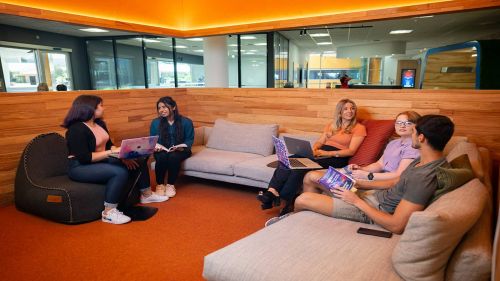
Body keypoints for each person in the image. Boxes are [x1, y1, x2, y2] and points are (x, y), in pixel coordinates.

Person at [267, 115, 455, 233]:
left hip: (374, 209)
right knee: (311, 176)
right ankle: (311, 222)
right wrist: (358, 184)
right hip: (371, 195)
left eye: (413, 130)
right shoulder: (423, 160)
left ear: (421, 137)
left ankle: (291, 229)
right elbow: (395, 181)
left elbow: (397, 225)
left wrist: (355, 200)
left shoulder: (423, 178)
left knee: (303, 199)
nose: (409, 133)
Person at [63, 95, 168, 225]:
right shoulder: (76, 129)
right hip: (79, 167)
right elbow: (85, 158)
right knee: (118, 172)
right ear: (89, 108)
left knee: (138, 160)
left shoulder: (100, 124)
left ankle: (146, 195)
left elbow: (109, 145)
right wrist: (112, 152)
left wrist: (123, 157)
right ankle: (108, 212)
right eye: (100, 105)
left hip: (100, 159)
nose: (103, 108)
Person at [257, 98, 366, 216]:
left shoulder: (359, 128)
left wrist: (326, 153)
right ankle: (273, 192)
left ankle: (283, 200)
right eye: (346, 109)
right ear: (339, 112)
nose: (350, 111)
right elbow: (320, 142)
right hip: (322, 154)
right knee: (288, 160)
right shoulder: (331, 126)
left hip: (337, 157)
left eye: (352, 108)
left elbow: (351, 151)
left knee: (299, 166)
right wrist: (314, 149)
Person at [303, 111, 421, 187]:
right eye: (399, 122)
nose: (402, 125)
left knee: (313, 177)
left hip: (383, 183)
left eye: (408, 123)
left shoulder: (413, 147)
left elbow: (398, 176)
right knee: (312, 175)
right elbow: (379, 165)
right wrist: (361, 169)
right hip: (374, 177)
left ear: (416, 126)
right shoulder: (394, 143)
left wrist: (367, 175)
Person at [150, 96, 194, 198]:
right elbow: (153, 140)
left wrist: (181, 147)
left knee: (173, 156)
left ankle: (170, 185)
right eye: (159, 108)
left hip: (181, 150)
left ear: (173, 107)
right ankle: (160, 185)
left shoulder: (186, 122)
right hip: (162, 150)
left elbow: (189, 139)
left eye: (165, 107)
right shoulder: (155, 123)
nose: (161, 110)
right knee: (161, 156)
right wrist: (156, 147)